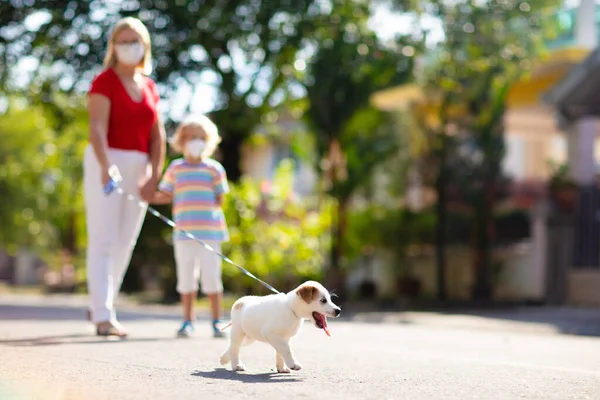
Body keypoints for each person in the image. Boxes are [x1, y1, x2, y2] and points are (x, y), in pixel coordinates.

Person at [84, 17, 166, 337]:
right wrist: (106, 164)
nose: (129, 46)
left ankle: (102, 303)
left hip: (140, 166)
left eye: (135, 40)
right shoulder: (104, 81)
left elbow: (157, 137)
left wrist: (154, 176)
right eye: (123, 40)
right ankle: (104, 316)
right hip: (106, 160)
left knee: (124, 243)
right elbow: (96, 129)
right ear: (113, 47)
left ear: (145, 45)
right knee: (103, 239)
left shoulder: (150, 86)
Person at [151, 115, 229, 338]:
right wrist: (146, 195)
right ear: (182, 140)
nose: (196, 141)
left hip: (210, 234)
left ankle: (217, 320)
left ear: (209, 141)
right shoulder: (175, 169)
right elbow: (165, 195)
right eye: (191, 137)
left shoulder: (215, 169)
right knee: (186, 278)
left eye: (201, 137)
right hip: (184, 234)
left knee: (212, 277)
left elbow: (220, 199)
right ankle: (188, 320)